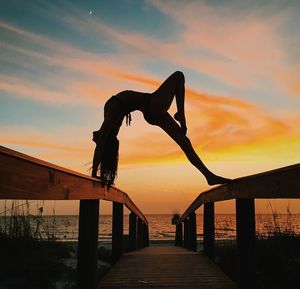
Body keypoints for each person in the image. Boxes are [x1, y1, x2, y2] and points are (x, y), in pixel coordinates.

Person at [92, 71, 230, 186]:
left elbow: (102, 141)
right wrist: (93, 174)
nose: (94, 136)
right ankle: (181, 114)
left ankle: (208, 176)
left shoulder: (111, 118)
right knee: (178, 76)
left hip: (152, 108)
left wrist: (100, 140)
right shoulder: (111, 111)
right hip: (152, 105)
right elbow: (101, 141)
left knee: (184, 142)